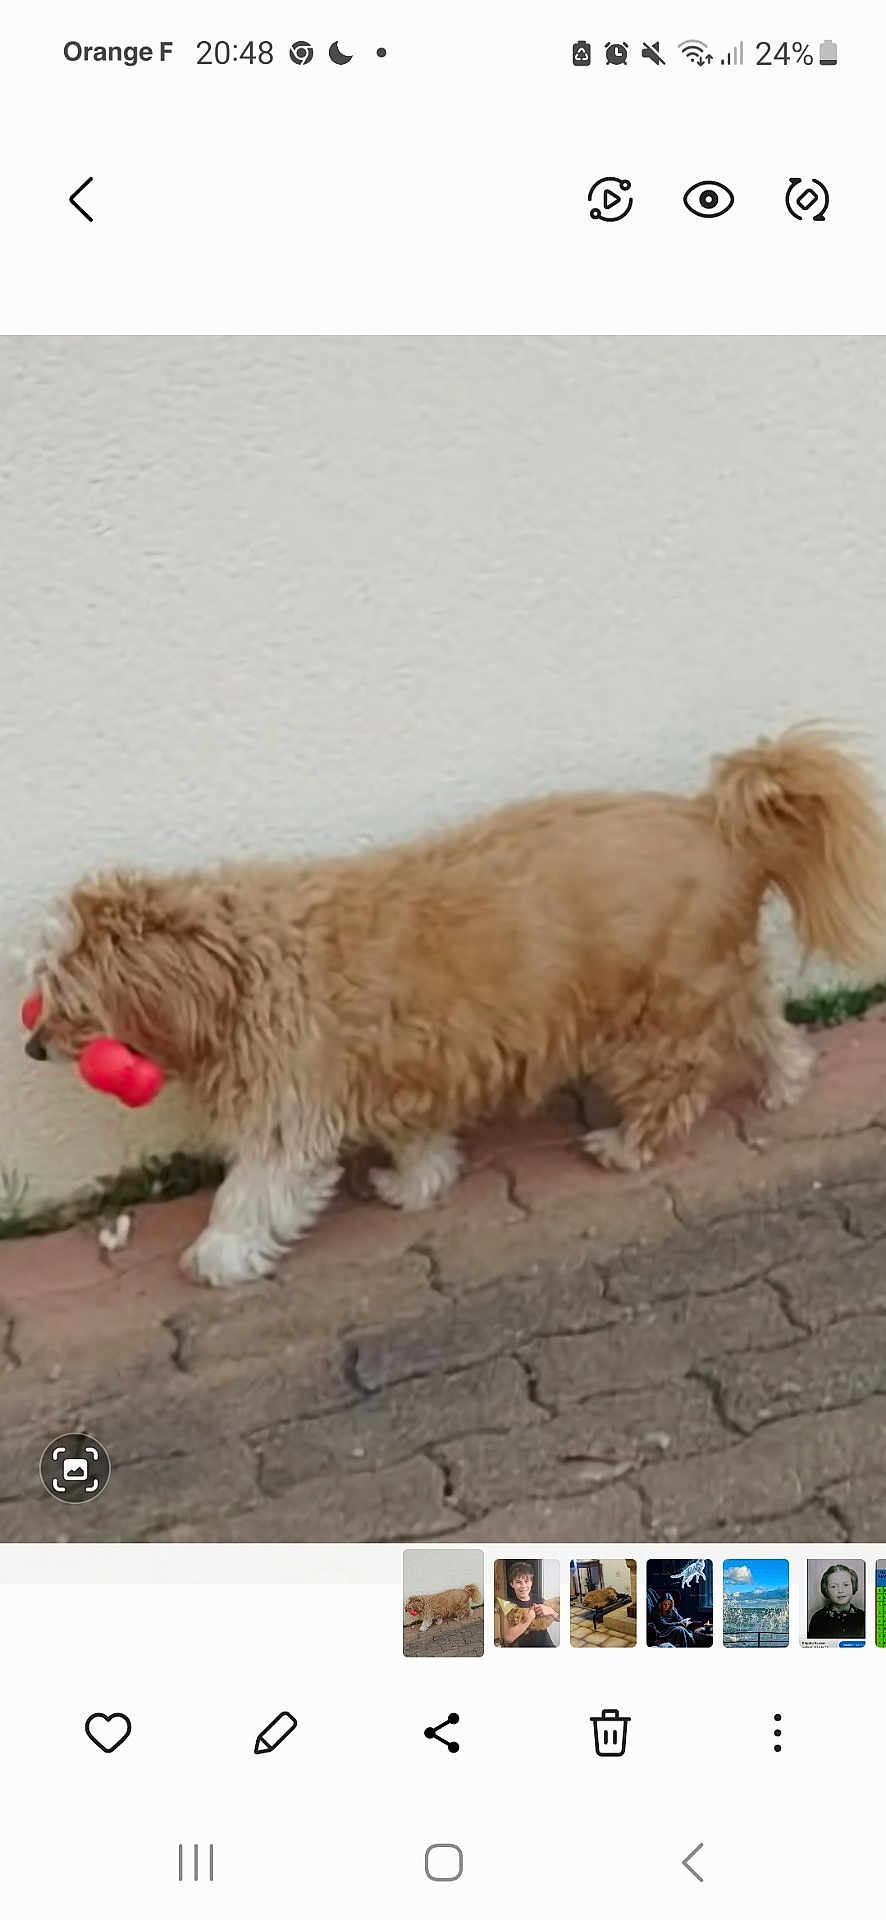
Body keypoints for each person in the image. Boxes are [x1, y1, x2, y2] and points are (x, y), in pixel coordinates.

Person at [498, 1562, 558, 1647]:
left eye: (526, 1581)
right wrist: (529, 1618)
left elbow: (559, 1618)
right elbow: (508, 1638)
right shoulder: (508, 1605)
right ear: (512, 1584)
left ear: (531, 1583)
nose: (523, 1585)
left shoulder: (538, 1598)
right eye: (518, 1582)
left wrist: (551, 1611)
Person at [807, 1564, 865, 1639]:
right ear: (826, 1590)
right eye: (833, 1586)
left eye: (846, 1585)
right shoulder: (818, 1619)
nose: (840, 1590)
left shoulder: (864, 1617)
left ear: (853, 1586)